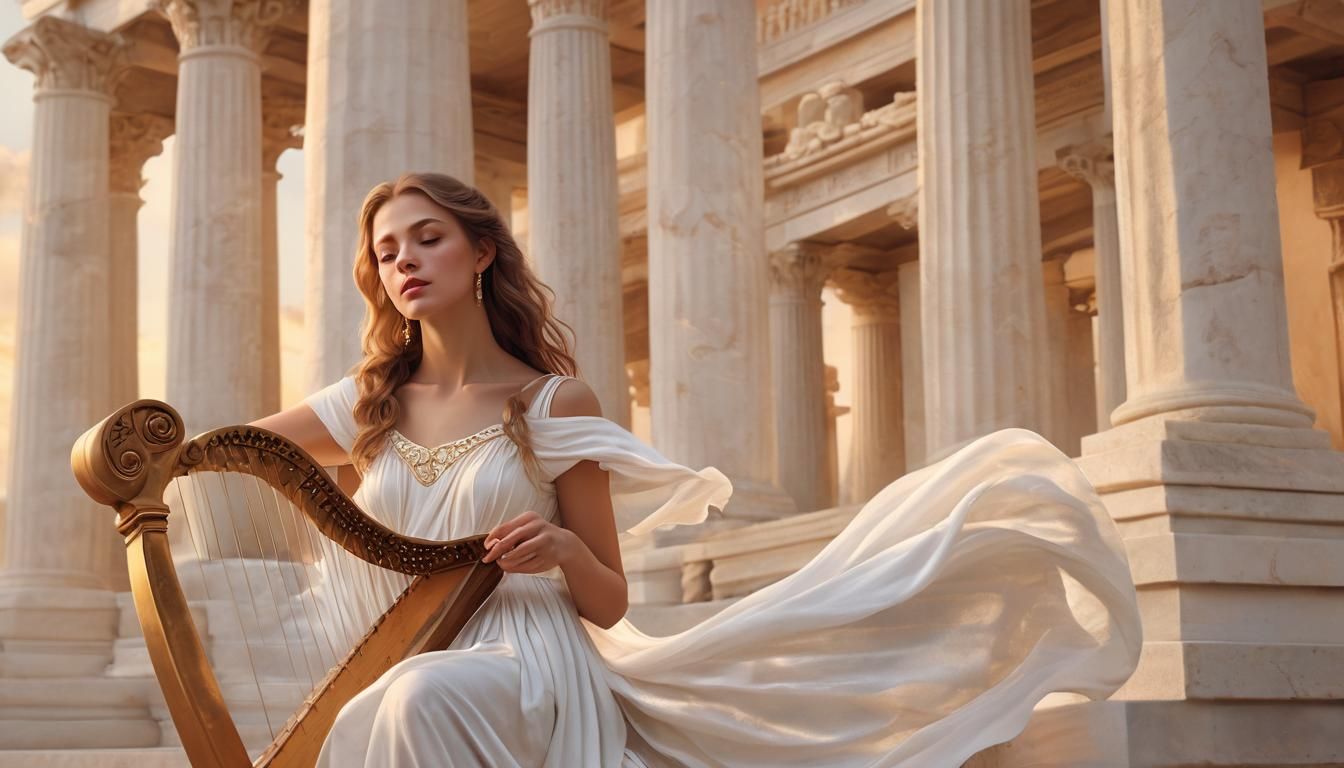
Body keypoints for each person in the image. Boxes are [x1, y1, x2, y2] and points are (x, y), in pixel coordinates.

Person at [252, 171, 1141, 767]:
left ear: (481, 252)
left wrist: (562, 547)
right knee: (380, 704)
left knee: (412, 700)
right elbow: (228, 451)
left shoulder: (554, 403)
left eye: (427, 238)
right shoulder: (364, 404)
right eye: (386, 250)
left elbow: (609, 599)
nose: (403, 259)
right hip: (423, 652)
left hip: (527, 658)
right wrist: (136, 453)